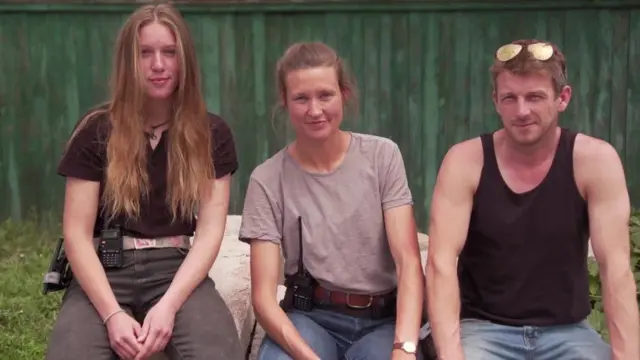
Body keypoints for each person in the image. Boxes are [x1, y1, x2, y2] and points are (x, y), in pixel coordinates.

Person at [44, 4, 243, 360]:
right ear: (127, 61)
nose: (158, 65)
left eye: (169, 52)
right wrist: (112, 314)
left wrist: (168, 307)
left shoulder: (212, 133)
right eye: (145, 53)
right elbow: (76, 233)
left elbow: (211, 232)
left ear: (185, 60)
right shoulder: (95, 130)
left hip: (175, 269)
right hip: (105, 268)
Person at [425, 38, 640, 360]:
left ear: (562, 98)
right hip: (482, 329)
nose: (521, 111)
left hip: (566, 331)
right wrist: (452, 355)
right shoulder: (465, 161)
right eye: (510, 98)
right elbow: (441, 263)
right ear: (495, 101)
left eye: (535, 97)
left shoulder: (594, 161)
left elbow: (616, 269)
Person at [238, 41, 425, 360]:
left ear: (344, 94)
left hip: (382, 319)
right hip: (310, 317)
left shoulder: (382, 156)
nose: (314, 110)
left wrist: (404, 347)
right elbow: (264, 299)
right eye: (301, 98)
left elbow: (408, 262)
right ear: (284, 101)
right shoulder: (267, 179)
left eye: (325, 95)